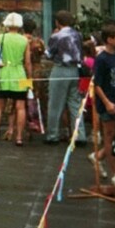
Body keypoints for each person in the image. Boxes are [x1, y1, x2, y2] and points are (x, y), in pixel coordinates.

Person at [90, 24, 115, 189]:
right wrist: (106, 103)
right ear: (109, 40)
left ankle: (97, 156)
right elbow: (97, 84)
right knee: (110, 137)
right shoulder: (102, 59)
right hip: (108, 103)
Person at [0, 13, 32, 146]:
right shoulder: (24, 40)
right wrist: (30, 79)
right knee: (20, 107)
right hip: (20, 73)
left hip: (4, 73)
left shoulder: (2, 37)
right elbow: (28, 62)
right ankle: (18, 138)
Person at [45, 10, 87, 145]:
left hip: (60, 69)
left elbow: (48, 54)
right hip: (74, 70)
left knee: (55, 104)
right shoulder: (78, 35)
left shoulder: (57, 36)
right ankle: (80, 136)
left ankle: (52, 135)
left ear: (58, 22)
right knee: (75, 103)